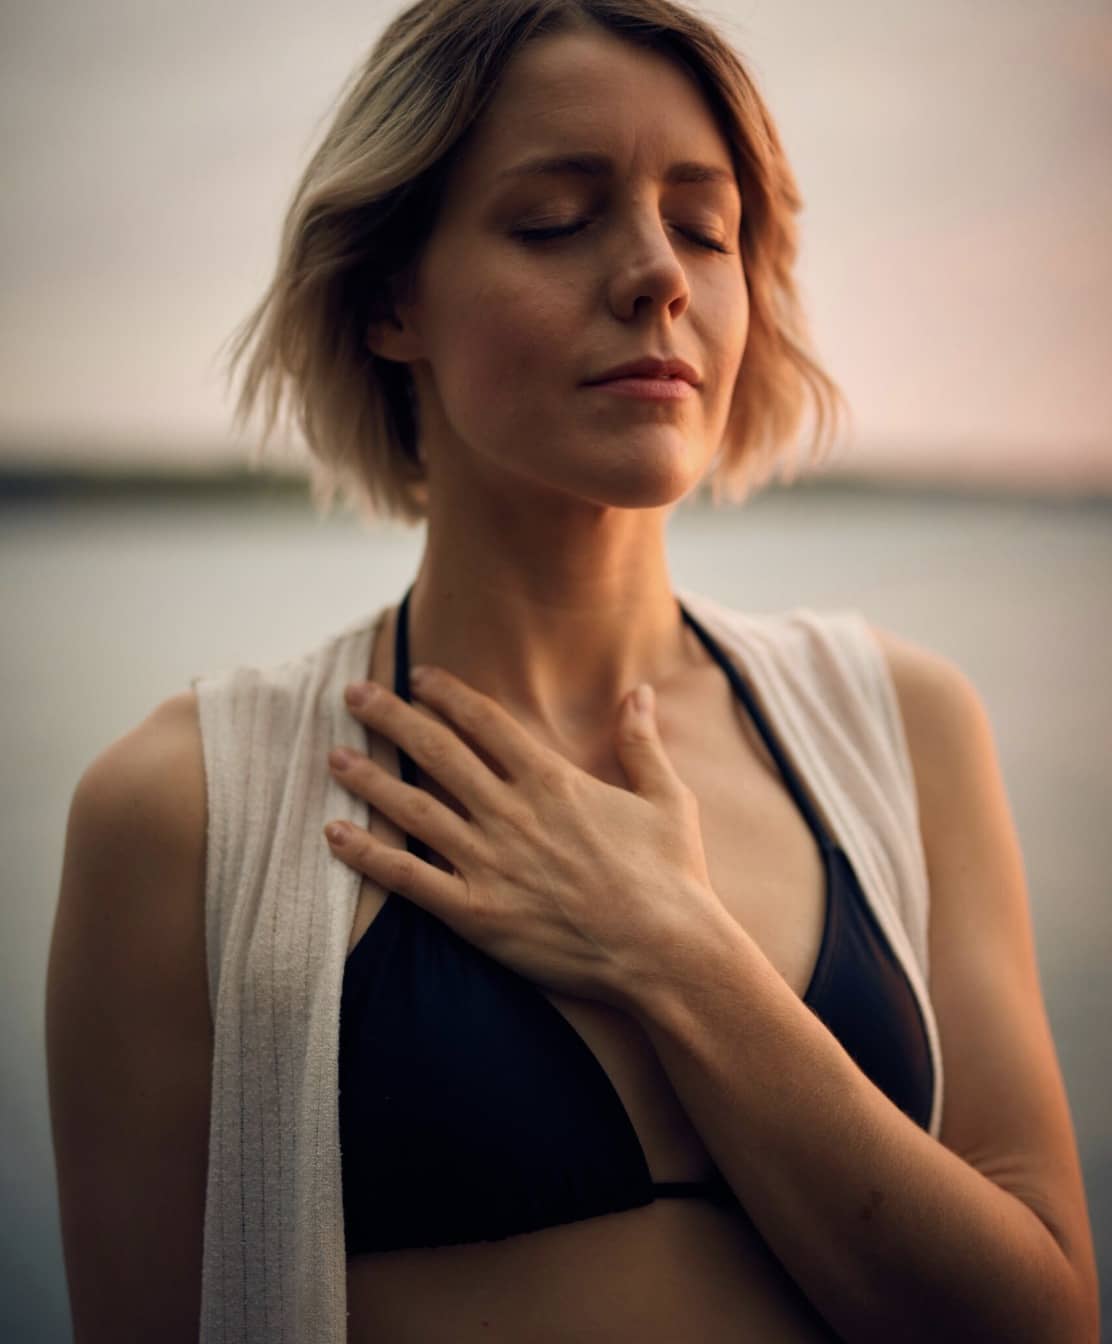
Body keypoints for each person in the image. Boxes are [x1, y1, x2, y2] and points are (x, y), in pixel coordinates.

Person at [46, 0, 1100, 1340]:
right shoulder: (185, 815)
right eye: (556, 218)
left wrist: (676, 951)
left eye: (705, 229)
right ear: (389, 301)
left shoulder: (903, 728)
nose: (658, 273)